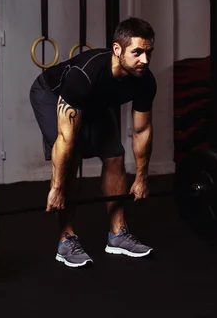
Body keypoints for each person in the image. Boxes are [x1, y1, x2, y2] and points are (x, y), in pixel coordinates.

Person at [29, 17, 157, 268]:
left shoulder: (144, 80)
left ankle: (117, 235)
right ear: (117, 50)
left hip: (96, 101)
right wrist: (56, 188)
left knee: (115, 155)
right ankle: (66, 240)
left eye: (149, 52)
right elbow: (66, 139)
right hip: (51, 93)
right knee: (72, 154)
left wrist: (142, 177)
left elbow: (142, 130)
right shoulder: (84, 74)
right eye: (138, 52)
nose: (145, 60)